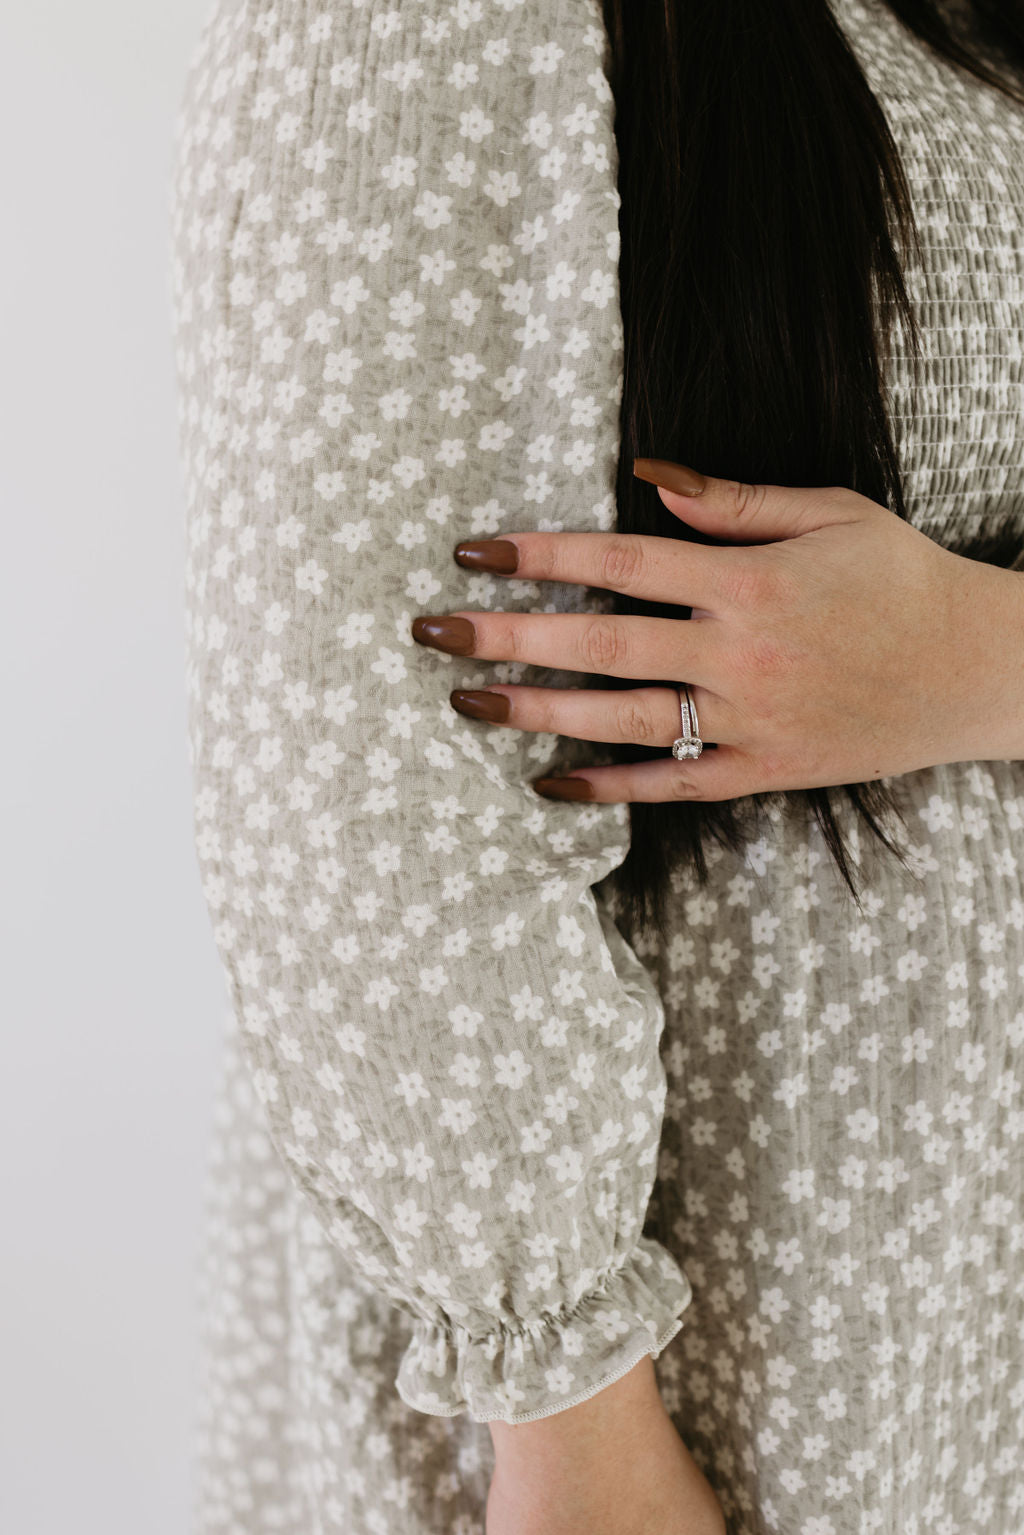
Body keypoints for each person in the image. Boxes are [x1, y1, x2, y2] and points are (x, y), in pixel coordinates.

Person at [168, 0, 1024, 1530]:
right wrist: (569, 1402)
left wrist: (973, 656)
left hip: (965, 1299)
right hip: (720, 1349)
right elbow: (370, 783)